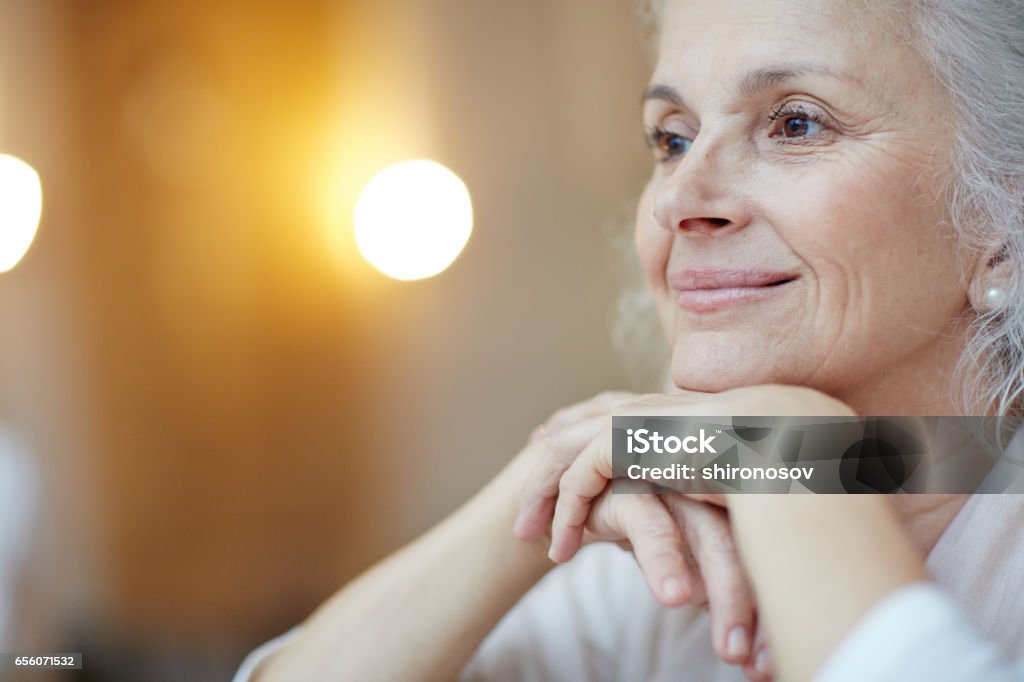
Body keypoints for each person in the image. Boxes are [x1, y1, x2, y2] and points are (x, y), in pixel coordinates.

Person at [235, 0, 1024, 679]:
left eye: (795, 123)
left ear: (1002, 229)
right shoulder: (665, 560)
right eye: (672, 138)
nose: (678, 197)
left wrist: (793, 456)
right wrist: (537, 486)